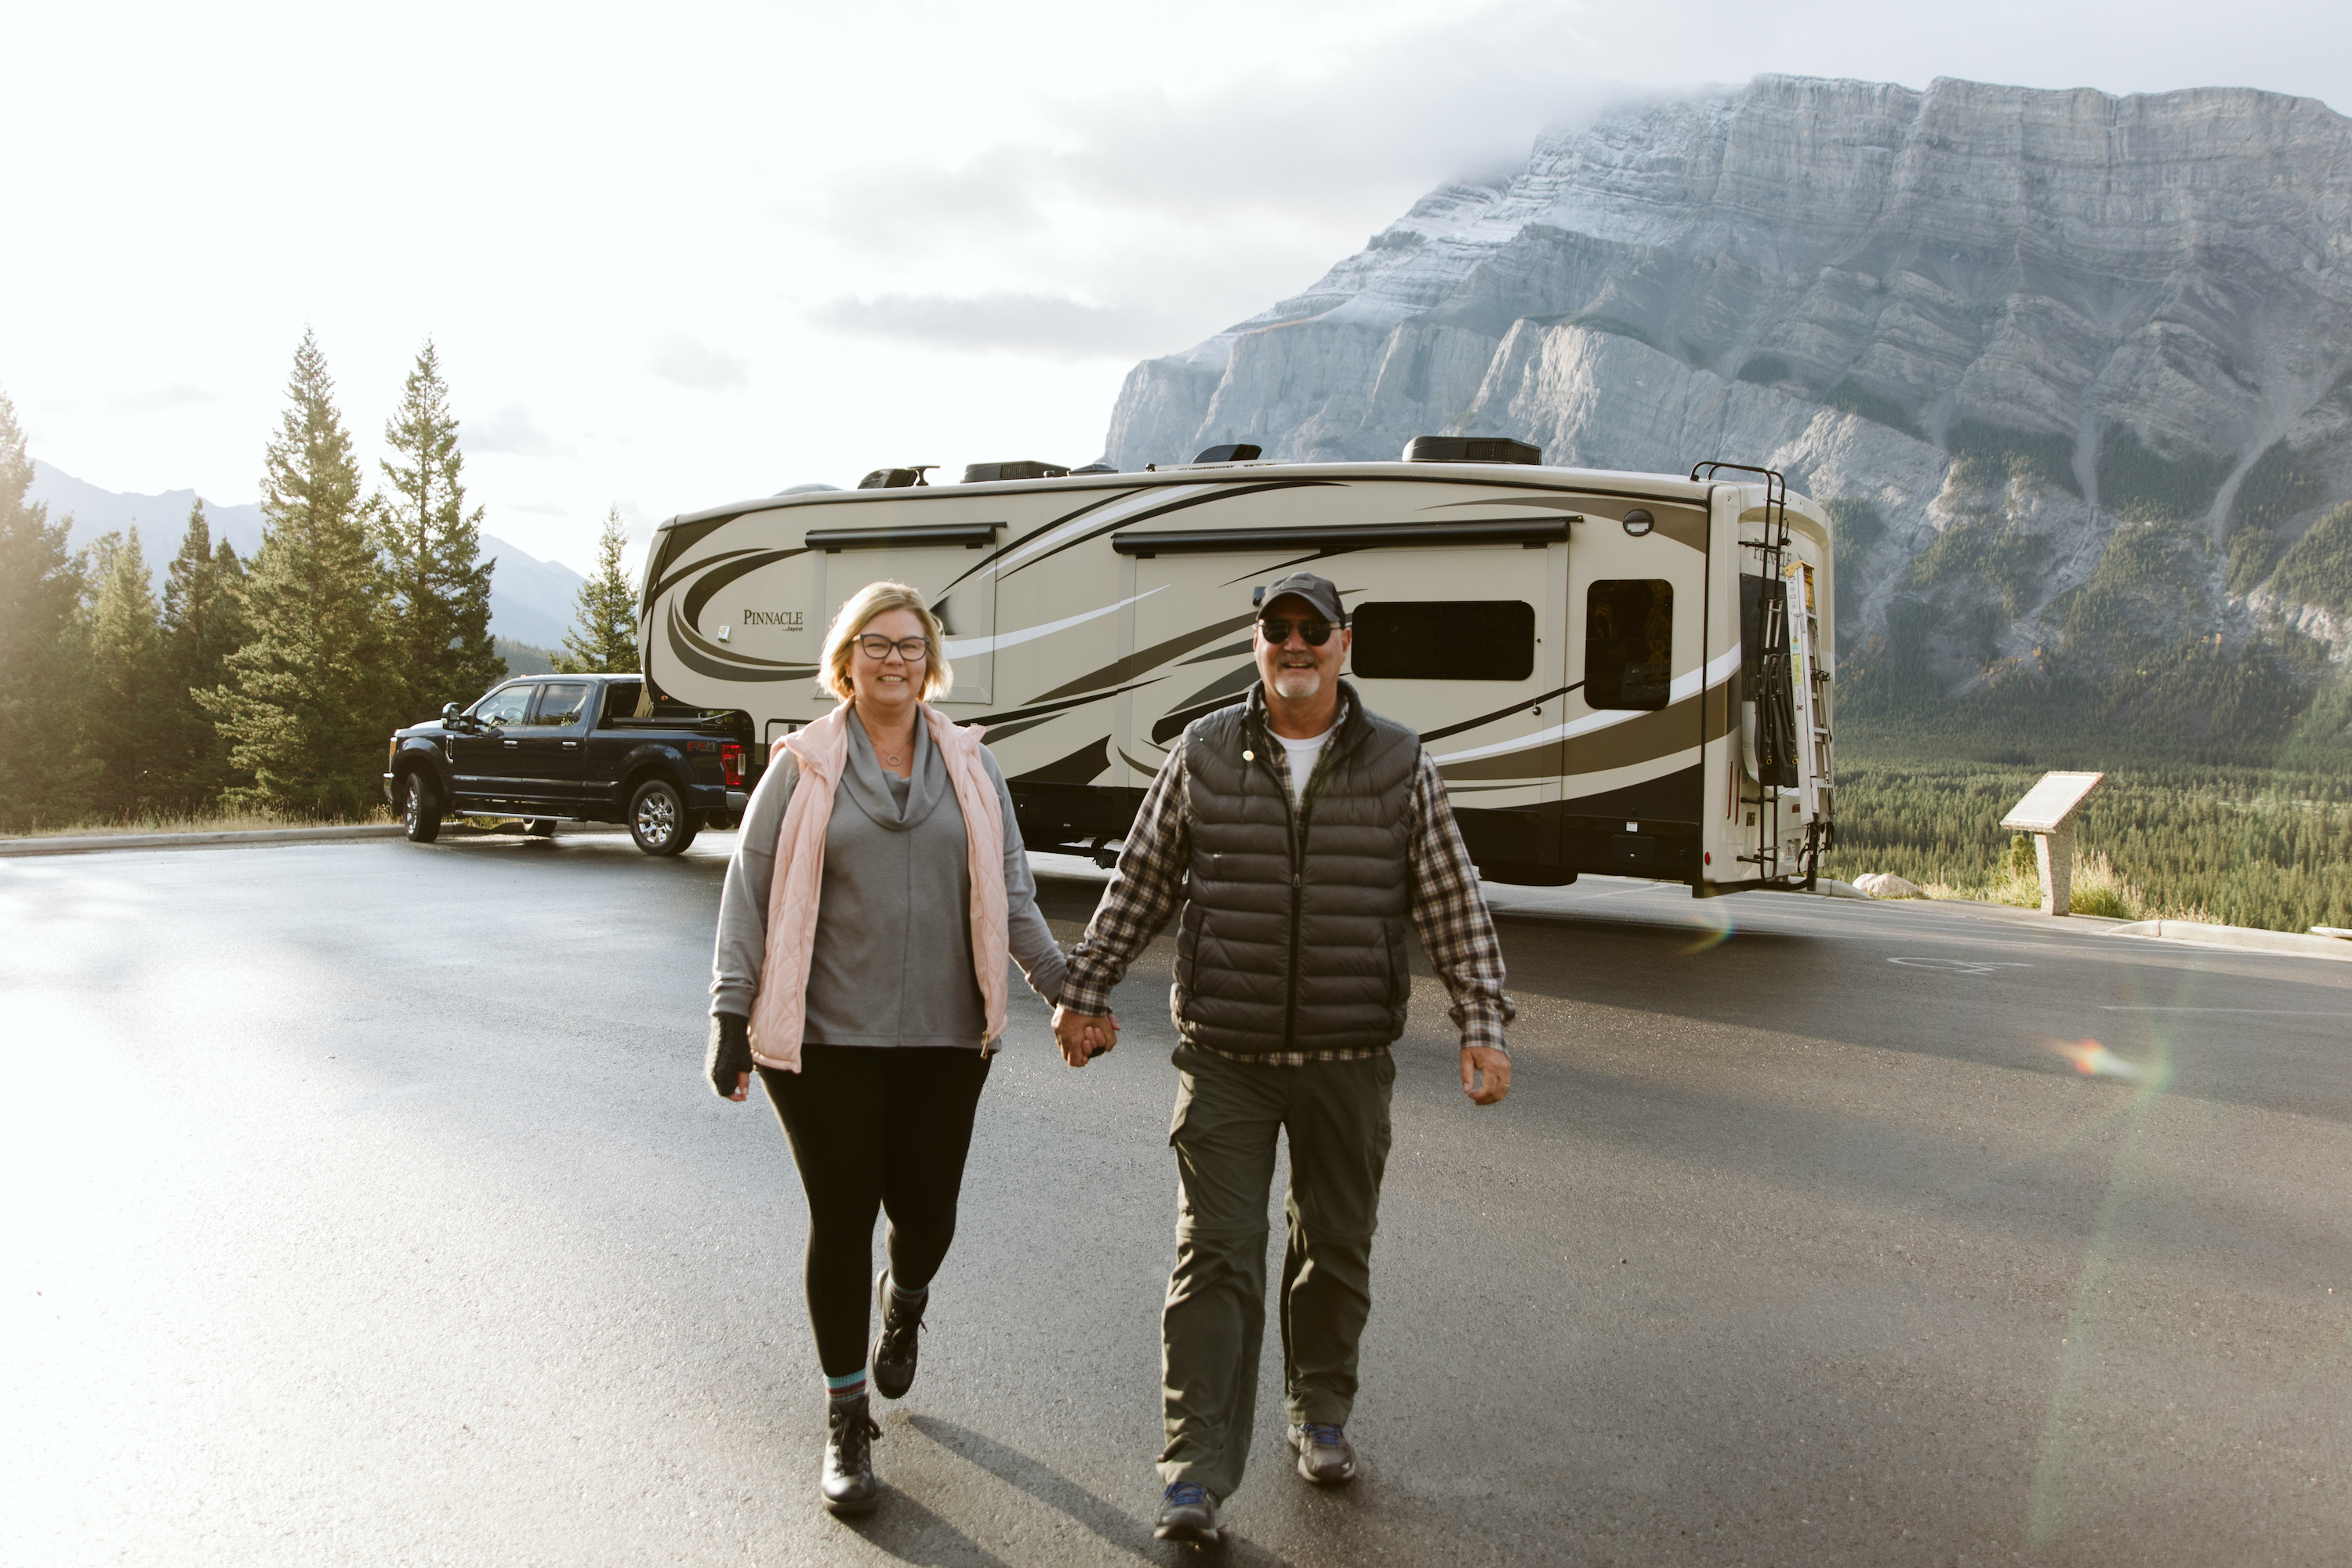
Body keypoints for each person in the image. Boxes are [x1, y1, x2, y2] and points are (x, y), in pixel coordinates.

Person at [1051, 570, 1515, 1546]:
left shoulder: (1398, 761)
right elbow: (1140, 880)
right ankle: (1193, 1472)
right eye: (1277, 629)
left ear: (1346, 645)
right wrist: (1085, 991)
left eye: (1314, 629)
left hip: (1349, 1055)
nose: (1295, 644)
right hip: (1225, 1052)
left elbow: (1451, 897)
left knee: (1333, 1247)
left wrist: (1482, 1021)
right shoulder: (1205, 751)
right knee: (1214, 1256)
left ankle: (1321, 1408)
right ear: (1255, 643)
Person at [704, 580, 1069, 1515]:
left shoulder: (972, 766)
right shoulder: (803, 764)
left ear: (929, 660)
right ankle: (844, 1419)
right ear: (846, 657)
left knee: (928, 1212)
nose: (894, 660)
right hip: (824, 1038)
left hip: (949, 1034)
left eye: (910, 645)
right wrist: (727, 1015)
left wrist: (1071, 988)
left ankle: (903, 1301)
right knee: (841, 1212)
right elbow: (748, 891)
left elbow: (1015, 895)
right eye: (876, 643)